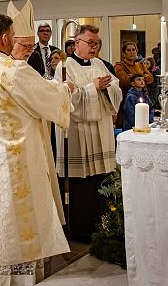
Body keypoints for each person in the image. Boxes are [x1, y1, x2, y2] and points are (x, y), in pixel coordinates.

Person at [0, 13, 73, 285]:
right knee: (20, 229)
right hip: (18, 166)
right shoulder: (12, 70)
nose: (14, 42)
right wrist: (66, 88)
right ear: (4, 37)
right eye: (13, 37)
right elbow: (47, 98)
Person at [54, 24, 122, 243]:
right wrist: (93, 87)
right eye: (90, 43)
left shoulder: (100, 64)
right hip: (77, 132)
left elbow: (116, 89)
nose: (94, 48)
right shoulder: (65, 66)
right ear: (76, 43)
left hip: (100, 131)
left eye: (97, 43)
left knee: (100, 181)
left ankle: (102, 225)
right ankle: (80, 230)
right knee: (81, 185)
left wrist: (107, 88)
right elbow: (64, 98)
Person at [114, 41, 153, 128]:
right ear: (124, 53)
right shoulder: (119, 66)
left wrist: (136, 77)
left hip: (142, 95)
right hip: (127, 98)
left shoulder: (140, 65)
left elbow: (150, 78)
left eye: (133, 50)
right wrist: (140, 76)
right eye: (128, 50)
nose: (132, 52)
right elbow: (124, 81)